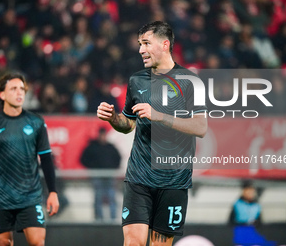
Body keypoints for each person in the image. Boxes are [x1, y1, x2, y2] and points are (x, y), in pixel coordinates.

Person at [97, 21, 208, 246]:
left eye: (146, 43)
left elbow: (200, 127)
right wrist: (113, 118)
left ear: (165, 44)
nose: (140, 50)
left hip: (173, 181)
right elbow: (128, 124)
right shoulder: (137, 80)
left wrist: (159, 115)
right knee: (133, 243)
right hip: (139, 177)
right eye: (140, 44)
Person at [0, 73, 59, 246]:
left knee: (38, 242)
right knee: (3, 243)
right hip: (0, 198)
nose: (19, 93)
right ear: (2, 95)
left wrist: (53, 191)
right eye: (13, 89)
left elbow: (46, 159)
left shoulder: (36, 122)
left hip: (30, 197)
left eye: (22, 89)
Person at [80, 127, 121, 221]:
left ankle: (113, 218)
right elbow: (83, 159)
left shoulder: (110, 147)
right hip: (97, 175)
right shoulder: (92, 147)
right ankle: (99, 219)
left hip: (109, 175)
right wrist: (93, 168)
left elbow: (118, 158)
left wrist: (113, 168)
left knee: (111, 196)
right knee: (98, 197)